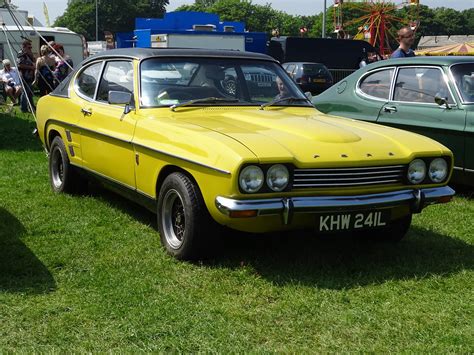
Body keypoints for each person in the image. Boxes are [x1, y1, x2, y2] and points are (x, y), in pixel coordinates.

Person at [17, 39, 36, 113]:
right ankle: (23, 108)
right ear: (24, 46)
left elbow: (34, 62)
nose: (30, 48)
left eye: (31, 47)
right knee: (25, 92)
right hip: (24, 75)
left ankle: (31, 106)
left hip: (30, 76)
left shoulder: (30, 54)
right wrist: (30, 67)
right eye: (29, 47)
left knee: (30, 92)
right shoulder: (21, 54)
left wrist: (32, 56)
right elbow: (19, 65)